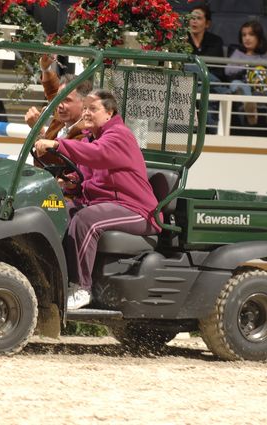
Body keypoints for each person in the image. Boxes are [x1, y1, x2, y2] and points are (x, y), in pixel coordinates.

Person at [34, 90, 161, 310]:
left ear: (109, 113)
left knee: (86, 220)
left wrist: (57, 145)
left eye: (93, 109)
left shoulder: (119, 135)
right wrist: (70, 181)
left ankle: (81, 288)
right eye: (84, 109)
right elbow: (85, 173)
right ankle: (51, 279)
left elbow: (97, 154)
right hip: (105, 205)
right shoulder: (91, 138)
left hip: (136, 209)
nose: (86, 113)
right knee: (55, 210)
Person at [26, 54, 91, 194]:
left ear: (85, 103)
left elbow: (54, 163)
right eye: (58, 99)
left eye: (66, 100)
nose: (59, 105)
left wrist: (37, 131)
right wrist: (45, 68)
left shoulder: (87, 133)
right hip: (45, 187)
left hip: (65, 196)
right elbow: (53, 91)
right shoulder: (63, 117)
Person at [187, 4, 227, 131]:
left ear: (207, 23)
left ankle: (210, 130)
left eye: (198, 18)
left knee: (201, 90)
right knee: (190, 66)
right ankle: (223, 89)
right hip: (187, 81)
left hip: (203, 83)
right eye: (192, 18)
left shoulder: (216, 41)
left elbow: (216, 68)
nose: (194, 21)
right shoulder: (181, 40)